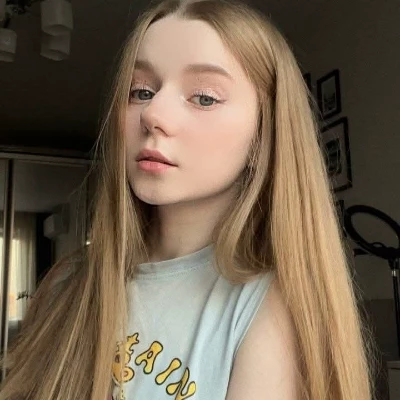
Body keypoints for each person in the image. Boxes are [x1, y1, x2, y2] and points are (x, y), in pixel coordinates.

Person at [0, 0, 378, 399]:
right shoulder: (66, 282)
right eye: (141, 91)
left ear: (263, 136)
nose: (153, 114)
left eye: (204, 97)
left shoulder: (268, 309)